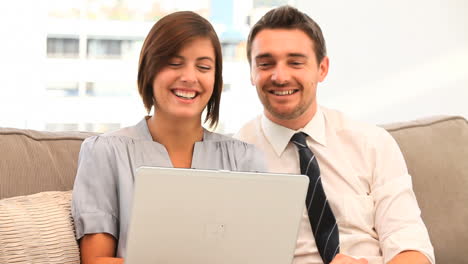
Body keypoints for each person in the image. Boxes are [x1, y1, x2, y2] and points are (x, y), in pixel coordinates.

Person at [235, 6, 434, 264]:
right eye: (265, 63)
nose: (280, 76)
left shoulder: (372, 143)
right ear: (251, 72)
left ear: (322, 68)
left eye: (295, 62)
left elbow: (412, 248)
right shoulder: (232, 159)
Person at [71, 11, 265, 264]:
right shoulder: (105, 152)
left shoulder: (245, 160)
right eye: (174, 63)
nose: (189, 77)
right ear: (149, 70)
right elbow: (97, 260)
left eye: (204, 67)